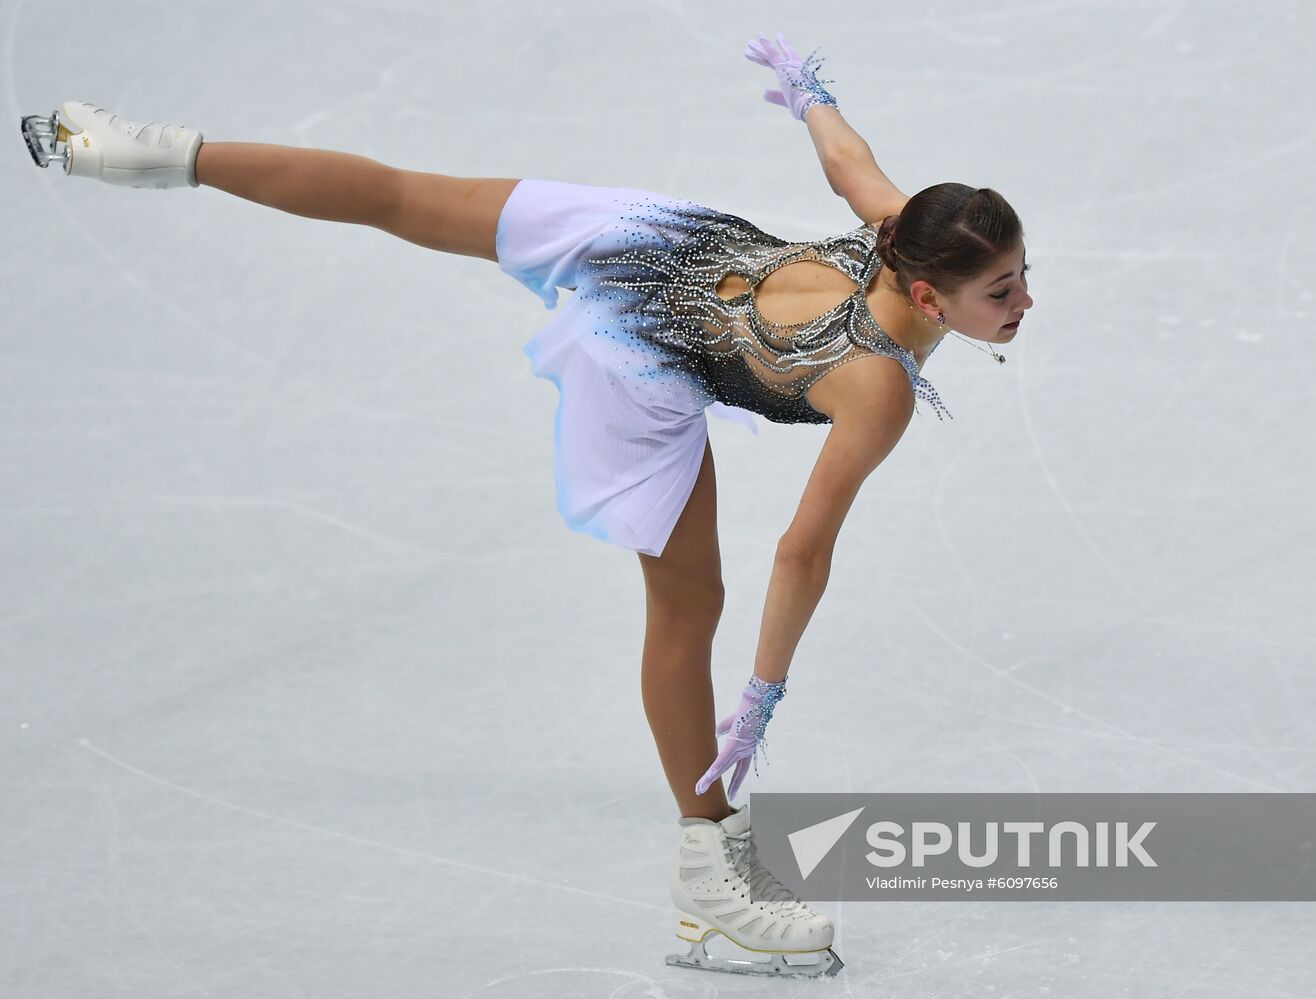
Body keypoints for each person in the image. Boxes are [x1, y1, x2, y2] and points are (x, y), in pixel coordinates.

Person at [20, 30, 1032, 978]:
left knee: (402, 196)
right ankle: (708, 867)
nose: (1022, 302)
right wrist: (760, 695)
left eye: (1019, 275)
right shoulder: (878, 383)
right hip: (644, 357)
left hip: (655, 241)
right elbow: (801, 552)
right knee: (688, 608)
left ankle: (141, 152)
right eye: (999, 290)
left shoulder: (907, 230)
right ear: (930, 298)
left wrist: (811, 99)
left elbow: (846, 160)